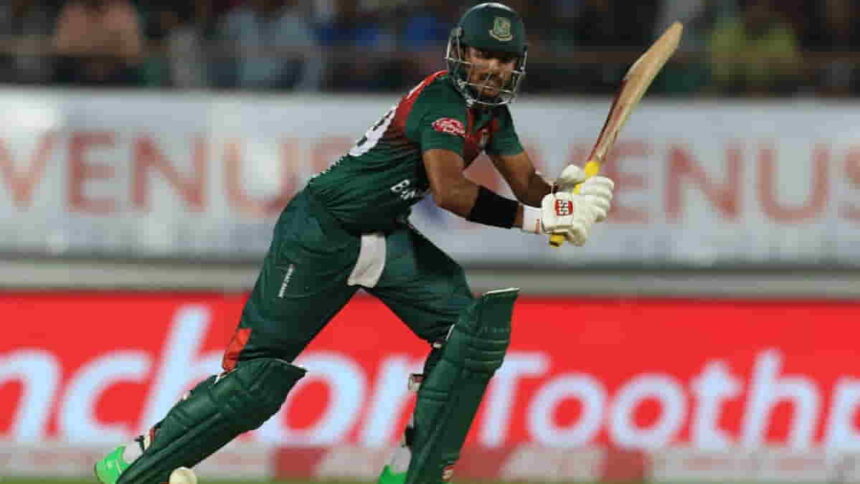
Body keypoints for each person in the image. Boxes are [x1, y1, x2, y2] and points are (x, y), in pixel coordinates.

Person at [93, 3, 615, 484]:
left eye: (505, 59)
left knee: (469, 333)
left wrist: (564, 196)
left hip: (384, 233)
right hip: (321, 233)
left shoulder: (494, 116)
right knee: (255, 381)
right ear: (461, 51)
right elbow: (450, 192)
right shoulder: (442, 101)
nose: (494, 69)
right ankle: (137, 463)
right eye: (485, 55)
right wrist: (544, 219)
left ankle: (412, 473)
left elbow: (528, 187)